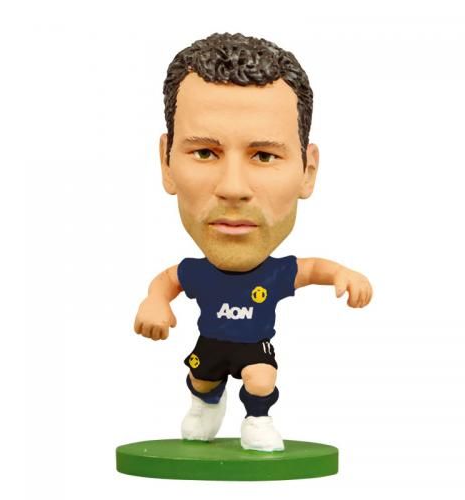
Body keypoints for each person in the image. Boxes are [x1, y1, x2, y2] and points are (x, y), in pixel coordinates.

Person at [134, 32, 373, 452]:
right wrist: (155, 301)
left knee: (261, 378)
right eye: (204, 152)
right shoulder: (198, 273)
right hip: (210, 345)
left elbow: (312, 269)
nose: (233, 188)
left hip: (253, 348)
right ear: (166, 163)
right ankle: (205, 404)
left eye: (264, 156)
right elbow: (169, 281)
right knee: (200, 379)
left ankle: (258, 420)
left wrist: (345, 274)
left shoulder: (277, 273)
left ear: (307, 171)